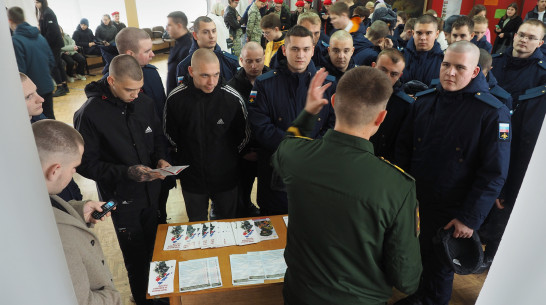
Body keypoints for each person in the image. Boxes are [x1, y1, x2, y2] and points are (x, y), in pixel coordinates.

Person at [274, 66, 421, 305]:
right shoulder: (397, 186)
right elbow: (406, 279)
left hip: (300, 295)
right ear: (381, 117)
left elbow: (287, 143)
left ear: (332, 102)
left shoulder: (295, 156)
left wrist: (309, 111)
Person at [394, 41, 511, 305]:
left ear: (475, 72)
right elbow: (403, 150)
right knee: (416, 261)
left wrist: (469, 219)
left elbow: (493, 174)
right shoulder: (424, 102)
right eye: (446, 64)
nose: (450, 72)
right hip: (416, 202)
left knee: (440, 270)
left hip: (454, 211)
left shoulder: (493, 113)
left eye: (460, 67)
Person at [74, 55, 169, 305]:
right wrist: (126, 172)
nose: (135, 95)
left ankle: (161, 294)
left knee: (157, 249)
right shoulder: (89, 115)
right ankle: (142, 299)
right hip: (123, 199)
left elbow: (158, 136)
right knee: (136, 257)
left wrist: (161, 158)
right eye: (129, 90)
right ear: (111, 80)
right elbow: (85, 164)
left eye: (139, 89)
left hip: (153, 192)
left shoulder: (144, 102)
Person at [248, 25, 336, 215]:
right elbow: (261, 128)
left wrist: (311, 151)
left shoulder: (329, 85)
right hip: (276, 175)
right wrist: (295, 150)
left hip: (315, 172)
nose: (300, 55)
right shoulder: (264, 84)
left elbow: (333, 125)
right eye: (295, 49)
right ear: (284, 49)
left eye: (305, 49)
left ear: (313, 50)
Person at [32, 119, 122, 305]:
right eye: (74, 168)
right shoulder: (56, 235)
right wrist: (114, 297)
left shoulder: (35, 193)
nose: (74, 172)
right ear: (55, 170)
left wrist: (79, 211)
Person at [483, 19, 546, 267]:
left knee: (508, 198)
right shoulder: (495, 62)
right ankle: (476, 239)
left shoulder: (542, 73)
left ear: (540, 43)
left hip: (520, 143)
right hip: (488, 135)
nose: (523, 40)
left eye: (531, 37)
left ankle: (494, 253)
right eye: (521, 35)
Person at [164, 49, 249, 221]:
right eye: (204, 75)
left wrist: (227, 156)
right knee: (196, 225)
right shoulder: (175, 99)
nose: (211, 82)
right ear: (191, 71)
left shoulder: (232, 99)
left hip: (226, 178)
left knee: (228, 224)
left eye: (216, 75)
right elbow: (169, 135)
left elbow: (243, 136)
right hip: (192, 180)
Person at [227, 42, 269, 217]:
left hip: (268, 148)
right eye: (249, 61)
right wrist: (243, 151)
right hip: (243, 151)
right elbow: (230, 125)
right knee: (243, 190)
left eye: (258, 60)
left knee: (268, 192)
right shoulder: (231, 87)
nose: (254, 66)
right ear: (241, 60)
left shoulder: (273, 79)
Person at [9, 6, 55, 119]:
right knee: (50, 121)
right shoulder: (40, 37)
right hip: (47, 86)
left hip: (31, 94)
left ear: (10, 21)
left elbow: (20, 72)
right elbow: (52, 61)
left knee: (40, 126)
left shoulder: (16, 41)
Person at [369, 48, 413, 161]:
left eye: (393, 74)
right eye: (383, 70)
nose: (386, 77)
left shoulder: (405, 106)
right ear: (373, 66)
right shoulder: (357, 92)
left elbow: (402, 148)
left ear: (400, 75)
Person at [176, 16, 239, 83]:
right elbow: (182, 92)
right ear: (195, 35)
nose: (211, 36)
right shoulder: (184, 66)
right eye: (205, 32)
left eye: (214, 31)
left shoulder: (231, 62)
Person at [35, 0, 68, 97]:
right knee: (58, 65)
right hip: (52, 43)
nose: (36, 4)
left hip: (53, 44)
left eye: (37, 2)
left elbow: (51, 32)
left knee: (53, 65)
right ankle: (64, 86)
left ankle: (60, 87)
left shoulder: (48, 13)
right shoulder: (44, 12)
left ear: (42, 2)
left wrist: (44, 43)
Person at [401, 14, 444, 87]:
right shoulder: (401, 56)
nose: (423, 37)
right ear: (413, 33)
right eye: (419, 33)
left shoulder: (443, 61)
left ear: (436, 34)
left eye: (428, 33)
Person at [166, 11, 192, 94]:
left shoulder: (188, 48)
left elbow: (186, 81)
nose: (167, 28)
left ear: (179, 26)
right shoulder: (179, 43)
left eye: (169, 25)